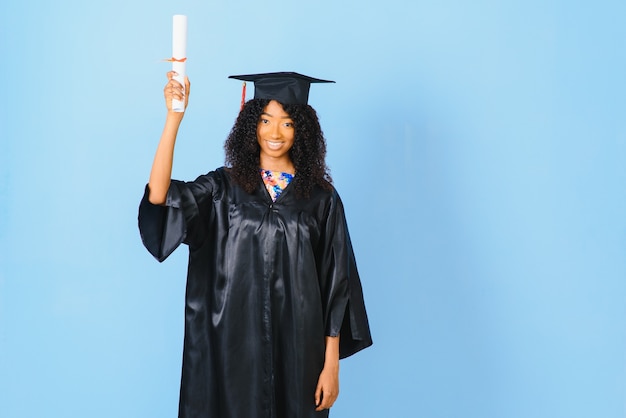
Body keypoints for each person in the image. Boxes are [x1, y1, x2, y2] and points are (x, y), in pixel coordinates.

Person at [138, 71, 372, 418]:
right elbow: (160, 198)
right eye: (265, 120)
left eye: (287, 123)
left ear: (303, 131)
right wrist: (174, 118)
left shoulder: (322, 199)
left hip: (299, 350)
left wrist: (331, 365)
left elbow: (336, 285)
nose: (274, 132)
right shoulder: (221, 188)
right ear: (251, 125)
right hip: (230, 347)